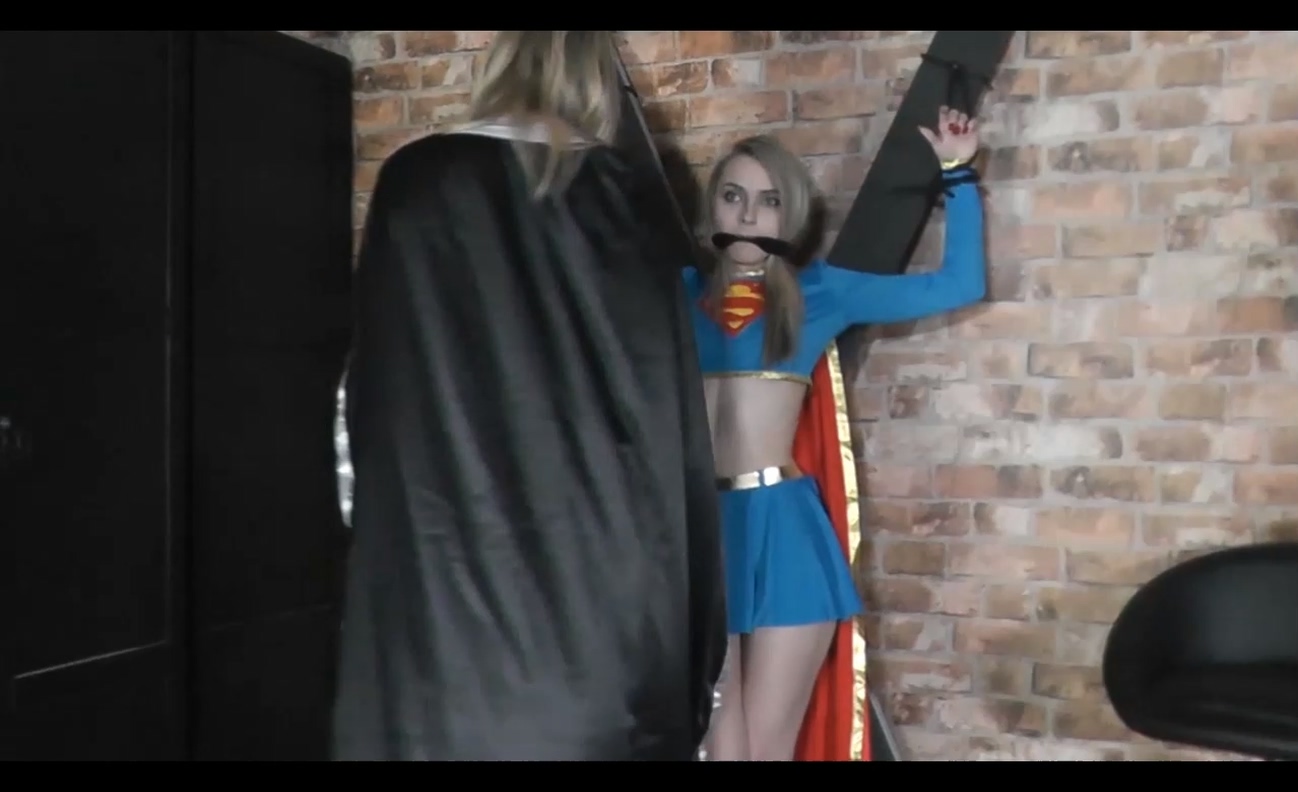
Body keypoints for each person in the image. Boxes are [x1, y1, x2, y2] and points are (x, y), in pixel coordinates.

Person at [331, 30, 728, 761]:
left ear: (498, 63)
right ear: (595, 80)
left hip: (441, 634)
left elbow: (369, 406)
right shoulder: (630, 201)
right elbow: (668, 423)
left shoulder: (417, 184)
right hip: (603, 636)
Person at [686, 108, 986, 761]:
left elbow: (962, 283)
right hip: (701, 536)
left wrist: (958, 173)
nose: (747, 215)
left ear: (789, 217)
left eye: (768, 201)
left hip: (785, 535)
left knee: (767, 749)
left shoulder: (820, 292)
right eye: (733, 196)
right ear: (712, 208)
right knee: (717, 749)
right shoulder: (675, 295)